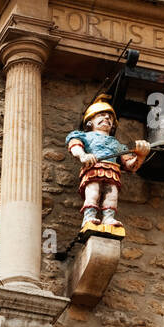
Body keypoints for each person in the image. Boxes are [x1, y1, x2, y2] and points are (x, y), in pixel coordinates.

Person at [65, 99, 150, 238]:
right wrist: (82, 155)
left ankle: (108, 218)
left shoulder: (117, 144)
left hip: (112, 170)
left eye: (109, 117)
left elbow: (130, 166)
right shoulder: (85, 136)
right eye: (101, 115)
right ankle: (89, 217)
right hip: (94, 168)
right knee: (93, 193)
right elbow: (75, 145)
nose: (106, 118)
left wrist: (140, 156)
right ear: (90, 121)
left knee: (112, 196)